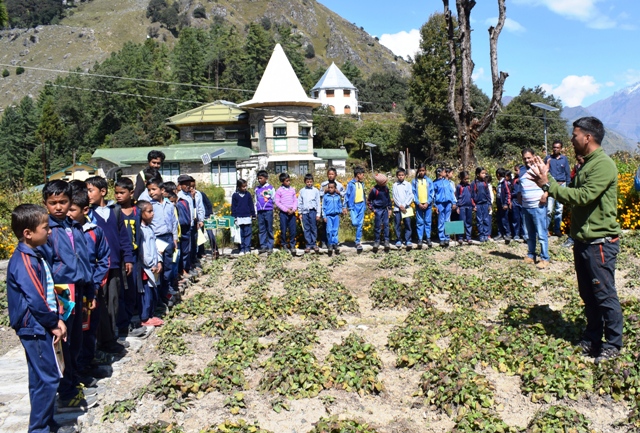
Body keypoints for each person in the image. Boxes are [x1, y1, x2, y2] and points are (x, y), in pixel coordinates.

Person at [528, 116, 623, 363]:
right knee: (589, 294)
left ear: (587, 137)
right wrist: (548, 180)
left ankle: (613, 344)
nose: (571, 139)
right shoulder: (587, 164)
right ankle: (592, 339)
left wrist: (548, 186)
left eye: (575, 135)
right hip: (584, 241)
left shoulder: (602, 165)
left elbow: (583, 196)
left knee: (604, 294)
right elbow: (572, 193)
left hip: (599, 242)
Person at [7, 204, 68, 433]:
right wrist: (53, 323)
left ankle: (46, 423)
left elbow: (47, 290)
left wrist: (57, 316)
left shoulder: (35, 254)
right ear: (28, 233)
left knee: (39, 379)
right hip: (35, 327)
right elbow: (36, 298)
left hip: (39, 324)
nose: (50, 231)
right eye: (45, 227)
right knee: (49, 378)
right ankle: (39, 429)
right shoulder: (24, 261)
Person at [37, 180, 96, 412]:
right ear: (46, 204)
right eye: (53, 203)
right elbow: (45, 266)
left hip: (78, 289)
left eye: (63, 202)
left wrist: (90, 290)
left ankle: (73, 382)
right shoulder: (47, 230)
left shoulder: (74, 226)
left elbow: (85, 260)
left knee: (76, 340)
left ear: (71, 202)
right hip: (61, 292)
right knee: (64, 343)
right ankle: (66, 392)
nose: (59, 207)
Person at [86, 176, 134, 352]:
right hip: (98, 266)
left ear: (103, 192)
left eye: (90, 190)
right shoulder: (88, 214)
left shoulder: (115, 211)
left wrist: (128, 258)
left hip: (114, 264)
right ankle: (99, 341)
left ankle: (112, 337)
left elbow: (124, 237)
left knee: (113, 302)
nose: (88, 194)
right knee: (99, 303)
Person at [68, 187, 110, 380]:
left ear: (85, 210)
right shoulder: (62, 232)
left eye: (72, 209)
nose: (68, 213)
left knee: (89, 327)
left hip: (90, 288)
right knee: (73, 331)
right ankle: (75, 369)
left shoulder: (94, 232)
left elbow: (104, 259)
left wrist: (95, 284)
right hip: (70, 290)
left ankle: (87, 363)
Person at [113, 178, 148, 339]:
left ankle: (131, 318)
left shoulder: (137, 212)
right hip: (119, 257)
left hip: (133, 256)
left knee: (132, 289)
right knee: (121, 291)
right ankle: (123, 325)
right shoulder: (114, 211)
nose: (118, 196)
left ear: (131, 193)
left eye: (122, 192)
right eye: (116, 193)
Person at [145, 177, 179, 307]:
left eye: (154, 189)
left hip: (168, 238)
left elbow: (173, 222)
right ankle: (157, 296)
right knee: (158, 267)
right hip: (156, 239)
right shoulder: (150, 206)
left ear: (162, 190)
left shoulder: (169, 205)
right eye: (149, 190)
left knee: (168, 266)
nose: (151, 192)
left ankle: (166, 291)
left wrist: (174, 238)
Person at [519, 149, 550, 270]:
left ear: (533, 156)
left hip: (538, 206)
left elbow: (548, 183)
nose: (527, 160)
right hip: (526, 206)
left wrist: (545, 195)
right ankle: (531, 255)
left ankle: (544, 258)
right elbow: (521, 186)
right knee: (529, 233)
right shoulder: (522, 170)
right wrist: (520, 196)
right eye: (525, 158)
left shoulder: (540, 168)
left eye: (529, 157)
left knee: (541, 233)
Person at [136, 200, 164, 327]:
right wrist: (151, 264)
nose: (152, 214)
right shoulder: (140, 230)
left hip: (154, 266)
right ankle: (145, 317)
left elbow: (155, 246)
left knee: (153, 292)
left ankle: (151, 314)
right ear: (141, 213)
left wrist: (159, 261)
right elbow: (144, 251)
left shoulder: (150, 228)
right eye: (149, 211)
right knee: (146, 293)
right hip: (146, 268)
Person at [544, 140, 571, 236]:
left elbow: (567, 173)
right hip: (551, 186)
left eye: (557, 148)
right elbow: (544, 172)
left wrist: (568, 186)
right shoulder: (548, 158)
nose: (555, 149)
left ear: (561, 149)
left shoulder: (564, 159)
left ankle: (557, 230)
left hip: (562, 185)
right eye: (554, 147)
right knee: (549, 210)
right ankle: (546, 230)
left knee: (559, 209)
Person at [319, 167, 345, 248]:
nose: (331, 176)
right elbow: (319, 194)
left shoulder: (339, 185)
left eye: (332, 174)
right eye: (329, 174)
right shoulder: (324, 184)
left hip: (335, 209)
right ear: (327, 175)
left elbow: (344, 194)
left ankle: (334, 243)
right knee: (325, 226)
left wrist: (339, 192)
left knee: (334, 228)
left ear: (335, 175)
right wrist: (324, 191)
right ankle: (324, 242)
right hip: (327, 208)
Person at [411, 164, 435, 248]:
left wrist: (428, 202)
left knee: (428, 221)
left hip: (428, 205)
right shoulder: (414, 181)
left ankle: (428, 238)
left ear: (425, 171)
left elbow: (432, 192)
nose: (421, 172)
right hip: (419, 205)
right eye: (420, 170)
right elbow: (413, 193)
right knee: (420, 222)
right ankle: (420, 239)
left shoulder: (429, 181)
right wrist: (418, 203)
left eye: (423, 170)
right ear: (418, 171)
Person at [344, 166, 367, 251]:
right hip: (353, 206)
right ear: (358, 174)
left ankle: (357, 241)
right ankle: (357, 235)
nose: (363, 176)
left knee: (360, 224)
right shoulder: (350, 184)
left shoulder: (362, 184)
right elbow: (347, 195)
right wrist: (344, 206)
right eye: (362, 174)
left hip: (361, 205)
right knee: (355, 222)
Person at [274, 172, 297, 254]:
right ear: (282, 181)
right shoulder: (279, 191)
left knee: (293, 230)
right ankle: (284, 244)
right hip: (284, 213)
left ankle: (292, 245)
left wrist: (293, 209)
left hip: (292, 213)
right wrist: (286, 210)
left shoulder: (292, 189)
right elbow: (277, 202)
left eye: (289, 180)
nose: (288, 182)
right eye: (287, 181)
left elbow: (295, 200)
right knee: (283, 229)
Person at [298, 173, 321, 253]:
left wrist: (318, 214)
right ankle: (308, 244)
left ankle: (314, 244)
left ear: (313, 181)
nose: (309, 183)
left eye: (311, 182)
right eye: (308, 182)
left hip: (312, 211)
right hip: (305, 212)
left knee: (313, 228)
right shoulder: (302, 191)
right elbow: (300, 202)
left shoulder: (315, 191)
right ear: (305, 182)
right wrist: (300, 213)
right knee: (306, 228)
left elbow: (318, 202)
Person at [231, 179, 256, 255]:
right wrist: (234, 217)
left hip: (247, 217)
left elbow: (251, 205)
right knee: (240, 234)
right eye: (243, 187)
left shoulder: (248, 194)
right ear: (239, 187)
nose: (245, 188)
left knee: (248, 234)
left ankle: (247, 249)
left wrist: (253, 215)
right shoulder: (235, 195)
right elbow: (233, 207)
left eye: (246, 186)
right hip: (239, 218)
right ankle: (242, 249)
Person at [368, 173, 392, 250]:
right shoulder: (374, 190)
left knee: (386, 225)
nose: (386, 183)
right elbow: (369, 201)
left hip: (385, 209)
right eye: (384, 182)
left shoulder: (386, 189)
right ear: (380, 182)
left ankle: (386, 240)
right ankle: (377, 241)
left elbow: (388, 199)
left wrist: (390, 208)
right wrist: (373, 209)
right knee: (377, 226)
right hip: (377, 210)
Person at [434, 167, 457, 247]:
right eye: (444, 172)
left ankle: (447, 238)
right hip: (440, 204)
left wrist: (453, 202)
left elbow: (451, 193)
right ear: (440, 173)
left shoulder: (447, 182)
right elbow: (434, 195)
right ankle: (442, 238)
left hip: (448, 203)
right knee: (441, 221)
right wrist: (435, 205)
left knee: (447, 220)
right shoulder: (435, 183)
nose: (445, 173)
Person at [392, 168, 413, 248]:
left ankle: (408, 240)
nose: (401, 176)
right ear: (397, 176)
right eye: (399, 175)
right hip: (397, 208)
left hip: (406, 208)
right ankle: (398, 239)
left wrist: (404, 205)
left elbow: (410, 195)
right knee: (397, 224)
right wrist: (400, 205)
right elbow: (395, 196)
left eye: (402, 175)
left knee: (407, 224)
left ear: (405, 175)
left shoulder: (408, 184)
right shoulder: (395, 185)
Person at [255, 170, 275, 254]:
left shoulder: (270, 188)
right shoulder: (257, 189)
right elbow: (256, 200)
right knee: (262, 229)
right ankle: (263, 246)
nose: (259, 180)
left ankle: (270, 246)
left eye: (261, 178)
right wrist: (256, 212)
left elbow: (274, 199)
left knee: (269, 229)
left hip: (268, 211)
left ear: (266, 178)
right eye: (258, 178)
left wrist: (271, 208)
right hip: (260, 212)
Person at [322, 181, 343, 253]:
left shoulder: (337, 197)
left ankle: (335, 243)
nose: (330, 189)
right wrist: (324, 216)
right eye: (329, 188)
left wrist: (340, 211)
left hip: (336, 216)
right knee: (329, 231)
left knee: (335, 230)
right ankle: (330, 244)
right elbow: (323, 207)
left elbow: (340, 205)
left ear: (335, 188)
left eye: (332, 188)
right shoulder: (326, 197)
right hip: (329, 216)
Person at [471, 167, 491, 242]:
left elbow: (488, 194)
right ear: (477, 174)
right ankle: (481, 235)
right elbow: (471, 195)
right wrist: (473, 205)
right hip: (478, 205)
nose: (484, 175)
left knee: (486, 220)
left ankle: (486, 235)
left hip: (485, 204)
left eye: (485, 173)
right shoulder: (474, 183)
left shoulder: (485, 183)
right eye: (482, 173)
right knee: (479, 221)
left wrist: (489, 204)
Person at [455, 171, 474, 244]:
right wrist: (457, 207)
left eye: (467, 179)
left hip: (469, 206)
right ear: (461, 179)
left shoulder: (469, 186)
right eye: (465, 179)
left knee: (469, 222)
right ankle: (460, 238)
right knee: (461, 222)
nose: (467, 180)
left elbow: (472, 196)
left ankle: (468, 237)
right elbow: (456, 197)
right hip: (462, 207)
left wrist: (473, 205)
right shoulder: (459, 187)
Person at [495, 168, 512, 242]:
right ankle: (500, 234)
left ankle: (508, 234)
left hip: (503, 203)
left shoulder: (505, 183)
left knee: (504, 219)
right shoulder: (499, 183)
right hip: (499, 202)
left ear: (498, 175)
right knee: (499, 219)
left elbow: (508, 194)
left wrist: (506, 203)